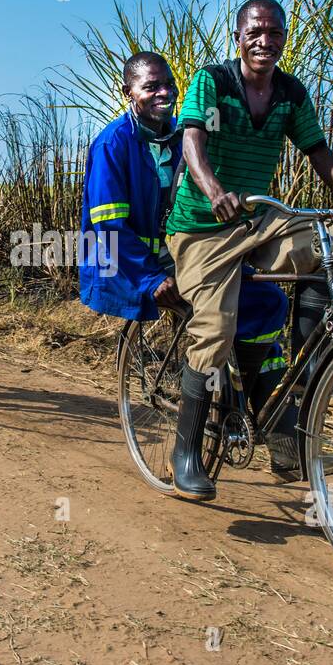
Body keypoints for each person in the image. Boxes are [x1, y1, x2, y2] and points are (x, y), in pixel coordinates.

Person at [164, 0, 333, 501]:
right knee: (216, 328)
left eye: (274, 33)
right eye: (255, 31)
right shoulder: (213, 82)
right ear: (239, 35)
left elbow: (319, 152)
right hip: (203, 227)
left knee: (332, 239)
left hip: (260, 221)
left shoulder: (289, 93)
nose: (265, 41)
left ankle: (308, 369)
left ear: (284, 39)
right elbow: (192, 145)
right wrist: (214, 190)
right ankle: (186, 453)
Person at [79, 52, 292, 477]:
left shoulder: (186, 137)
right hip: (135, 265)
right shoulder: (112, 144)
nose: (163, 93)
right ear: (129, 94)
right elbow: (109, 228)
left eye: (168, 85)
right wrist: (149, 278)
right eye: (150, 86)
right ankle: (193, 446)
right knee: (214, 322)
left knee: (268, 305)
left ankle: (278, 436)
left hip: (191, 254)